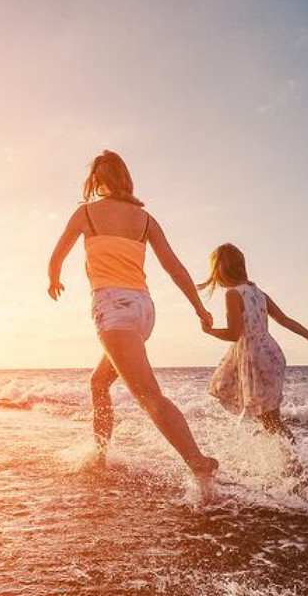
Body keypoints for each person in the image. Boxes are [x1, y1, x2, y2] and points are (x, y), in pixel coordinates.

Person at [47, 150, 218, 481]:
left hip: (114, 309)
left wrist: (53, 278)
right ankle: (100, 456)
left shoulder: (86, 214)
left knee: (149, 396)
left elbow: (57, 256)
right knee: (99, 383)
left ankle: (196, 460)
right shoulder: (146, 220)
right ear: (125, 178)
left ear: (96, 180)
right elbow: (175, 268)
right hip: (143, 310)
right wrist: (200, 308)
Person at [197, 243, 308, 442]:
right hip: (271, 355)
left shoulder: (232, 294)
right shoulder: (259, 294)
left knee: (271, 422)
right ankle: (286, 459)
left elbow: (234, 334)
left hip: (255, 359)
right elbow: (285, 320)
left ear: (220, 270)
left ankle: (296, 463)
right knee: (270, 419)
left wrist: (210, 332)